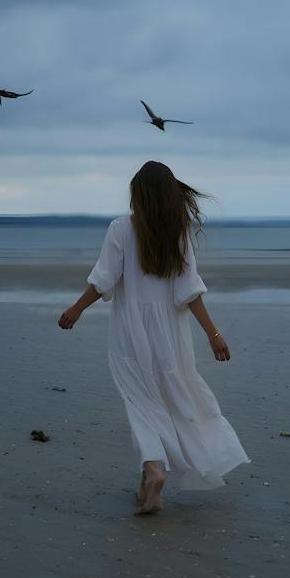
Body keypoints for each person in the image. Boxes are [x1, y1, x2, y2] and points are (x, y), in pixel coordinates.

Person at [58, 160, 249, 515]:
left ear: (139, 194)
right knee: (173, 397)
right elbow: (190, 292)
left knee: (140, 402)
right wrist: (213, 334)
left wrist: (76, 309)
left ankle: (153, 469)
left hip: (130, 331)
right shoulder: (178, 233)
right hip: (172, 334)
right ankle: (148, 480)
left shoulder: (120, 229)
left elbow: (103, 280)